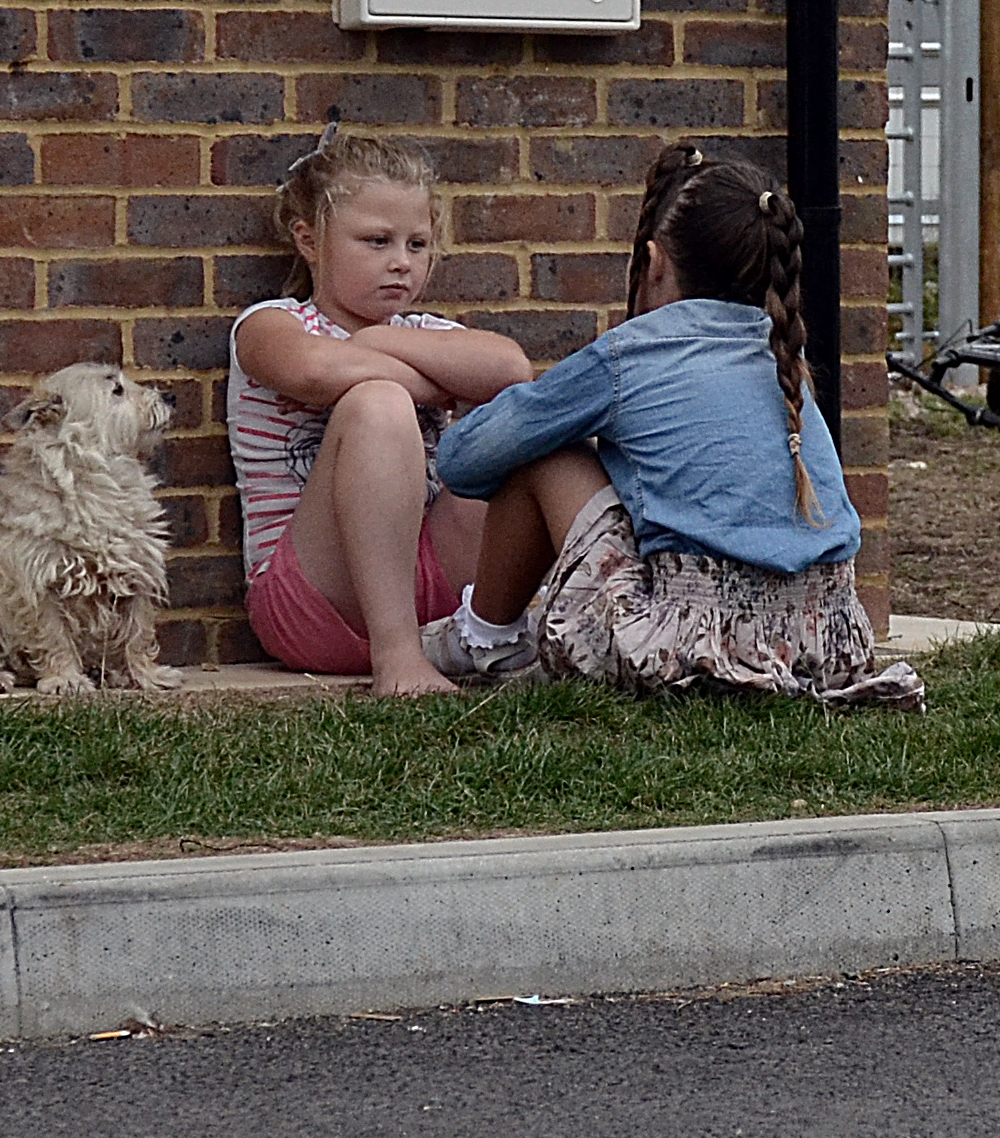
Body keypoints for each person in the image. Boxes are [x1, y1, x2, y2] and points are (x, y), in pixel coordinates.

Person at [418, 147, 922, 707]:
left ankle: (486, 637)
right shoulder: (783, 357)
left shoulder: (630, 355)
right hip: (826, 648)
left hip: (687, 650)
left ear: (654, 263)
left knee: (548, 455)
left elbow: (464, 462)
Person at [226, 133, 532, 695]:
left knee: (530, 436)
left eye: (418, 245)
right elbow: (313, 372)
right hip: (314, 604)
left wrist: (371, 347)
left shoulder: (426, 332)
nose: (401, 263)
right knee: (377, 403)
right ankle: (398, 663)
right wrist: (433, 384)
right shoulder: (273, 323)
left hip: (435, 592)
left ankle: (527, 627)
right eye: (376, 241)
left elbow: (511, 370)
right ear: (310, 241)